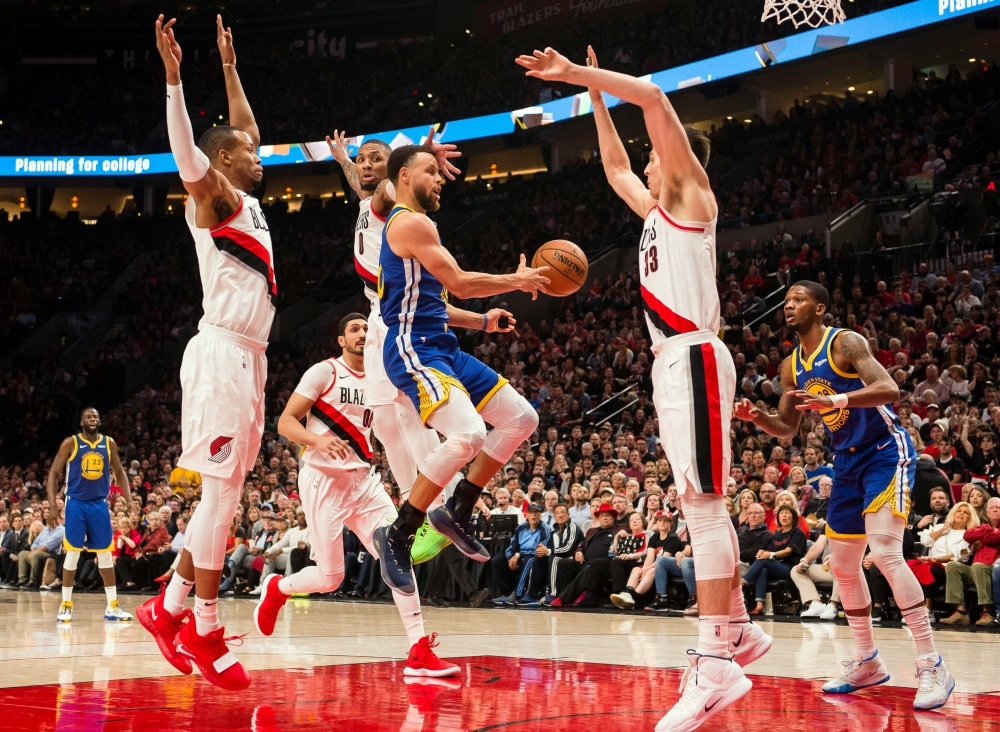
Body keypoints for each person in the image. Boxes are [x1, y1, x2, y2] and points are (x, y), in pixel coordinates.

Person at [516, 45, 767, 729]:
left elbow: (653, 101)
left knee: (705, 508)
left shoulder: (691, 194)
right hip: (671, 362)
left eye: (656, 155)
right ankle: (739, 629)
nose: (647, 160)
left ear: (679, 161)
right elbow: (615, 166)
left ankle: (716, 664)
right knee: (696, 499)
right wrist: (592, 101)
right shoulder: (654, 210)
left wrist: (575, 76)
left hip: (692, 353)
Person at [735, 280, 954, 710]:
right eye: (786, 301)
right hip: (847, 461)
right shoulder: (789, 366)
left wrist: (838, 396)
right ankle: (867, 660)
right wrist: (756, 416)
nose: (788, 306)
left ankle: (932, 663)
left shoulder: (845, 343)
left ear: (819, 307)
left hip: (885, 451)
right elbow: (787, 427)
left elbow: (890, 389)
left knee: (887, 554)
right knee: (842, 565)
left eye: (798, 299)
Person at [138, 16, 271, 690]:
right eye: (247, 150)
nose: (259, 151)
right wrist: (174, 79)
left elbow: (239, 124)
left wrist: (227, 66)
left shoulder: (243, 193)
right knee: (218, 498)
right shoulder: (215, 197)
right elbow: (191, 153)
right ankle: (205, 626)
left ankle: (168, 610)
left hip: (250, 358)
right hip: (221, 354)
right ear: (226, 161)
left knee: (223, 498)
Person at [371, 143, 548, 595]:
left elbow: (437, 304)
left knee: (522, 418)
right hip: (413, 349)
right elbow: (461, 284)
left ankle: (460, 508)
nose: (440, 179)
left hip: (440, 344)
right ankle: (401, 532)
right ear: (405, 177)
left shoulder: (419, 229)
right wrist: (517, 279)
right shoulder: (409, 222)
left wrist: (483, 322)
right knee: (468, 434)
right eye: (430, 171)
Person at [256, 313, 459, 678]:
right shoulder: (325, 372)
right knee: (330, 578)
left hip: (365, 482)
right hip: (322, 480)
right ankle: (278, 587)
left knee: (396, 554)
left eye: (367, 328)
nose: (363, 333)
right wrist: (317, 440)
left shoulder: (383, 379)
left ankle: (418, 649)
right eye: (354, 329)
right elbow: (286, 421)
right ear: (341, 340)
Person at [328, 127, 462, 565]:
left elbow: (384, 183)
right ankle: (419, 507)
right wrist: (343, 160)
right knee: (385, 422)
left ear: (396, 172)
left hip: (395, 315)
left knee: (407, 412)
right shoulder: (369, 198)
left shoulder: (388, 201)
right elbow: (361, 180)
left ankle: (441, 505)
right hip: (376, 313)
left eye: (374, 158)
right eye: (362, 158)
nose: (365, 164)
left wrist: (422, 154)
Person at [46, 408, 133, 623]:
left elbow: (120, 471)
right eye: (88, 417)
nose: (92, 419)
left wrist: (129, 499)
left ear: (100, 421)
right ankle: (66, 605)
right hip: (76, 503)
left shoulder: (109, 443)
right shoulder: (71, 443)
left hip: (99, 504)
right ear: (81, 421)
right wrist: (53, 505)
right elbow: (53, 474)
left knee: (105, 555)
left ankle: (113, 606)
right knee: (73, 554)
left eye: (95, 416)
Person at [938, 497, 1000, 626]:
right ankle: (961, 612)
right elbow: (968, 535)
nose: (994, 510)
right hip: (976, 570)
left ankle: (987, 612)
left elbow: (996, 537)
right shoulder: (983, 527)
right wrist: (988, 530)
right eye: (992, 508)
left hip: (993, 571)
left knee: (978, 566)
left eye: (998, 508)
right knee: (953, 565)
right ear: (987, 513)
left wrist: (984, 536)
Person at [741, 504, 807, 615]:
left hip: (792, 568)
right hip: (776, 567)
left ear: (793, 517)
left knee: (765, 561)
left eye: (787, 513)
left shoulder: (797, 532)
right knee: (763, 569)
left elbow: (788, 551)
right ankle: (759, 606)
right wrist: (762, 553)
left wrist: (769, 555)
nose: (784, 516)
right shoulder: (775, 535)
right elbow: (767, 552)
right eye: (781, 513)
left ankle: (742, 582)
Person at [491, 503, 552, 606]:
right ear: (526, 515)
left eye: (536, 512)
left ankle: (517, 594)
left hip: (535, 559)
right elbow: (511, 548)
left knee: (529, 559)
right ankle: (506, 593)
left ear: (540, 515)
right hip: (518, 557)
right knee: (497, 560)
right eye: (530, 512)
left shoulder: (545, 529)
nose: (533, 515)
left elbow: (539, 551)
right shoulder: (520, 528)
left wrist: (518, 555)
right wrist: (511, 558)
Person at [792, 534, 840, 620]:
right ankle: (817, 603)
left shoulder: (854, 523)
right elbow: (818, 545)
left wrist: (837, 557)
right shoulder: (829, 524)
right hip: (828, 568)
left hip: (847, 567)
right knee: (796, 571)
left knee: (840, 568)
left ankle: (833, 605)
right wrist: (805, 561)